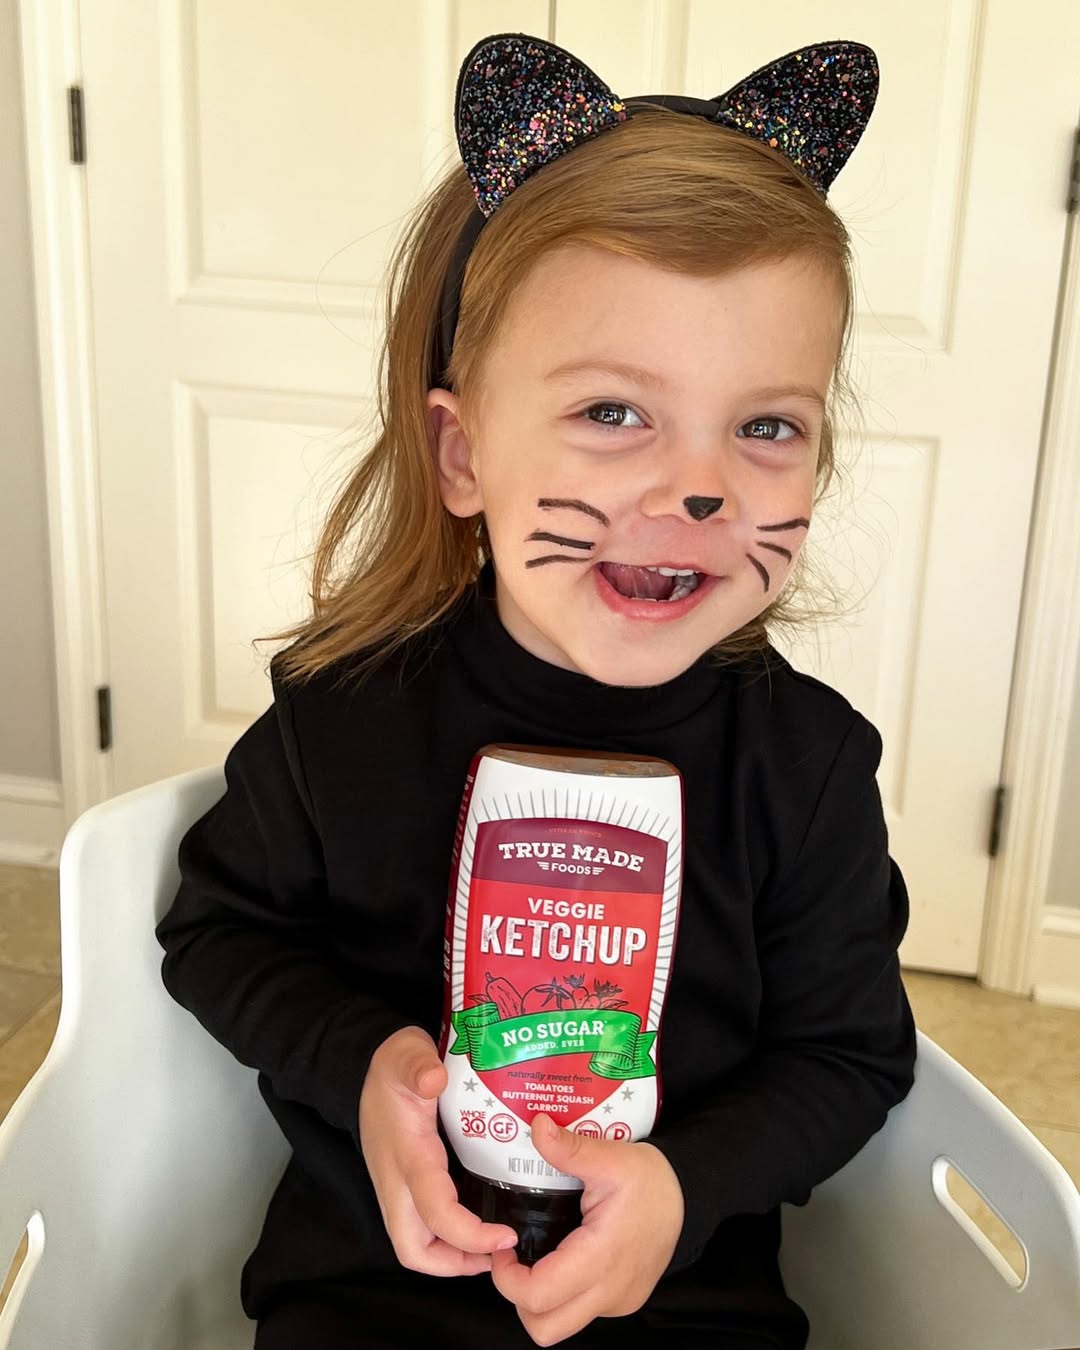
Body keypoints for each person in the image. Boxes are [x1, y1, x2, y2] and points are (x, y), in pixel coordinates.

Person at [155, 32, 917, 1350]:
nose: (700, 488)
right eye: (615, 412)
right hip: (372, 1295)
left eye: (768, 426)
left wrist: (688, 1185)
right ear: (463, 452)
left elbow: (849, 1056)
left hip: (684, 1301)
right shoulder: (343, 721)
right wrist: (370, 1060)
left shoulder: (804, 768)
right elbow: (217, 936)